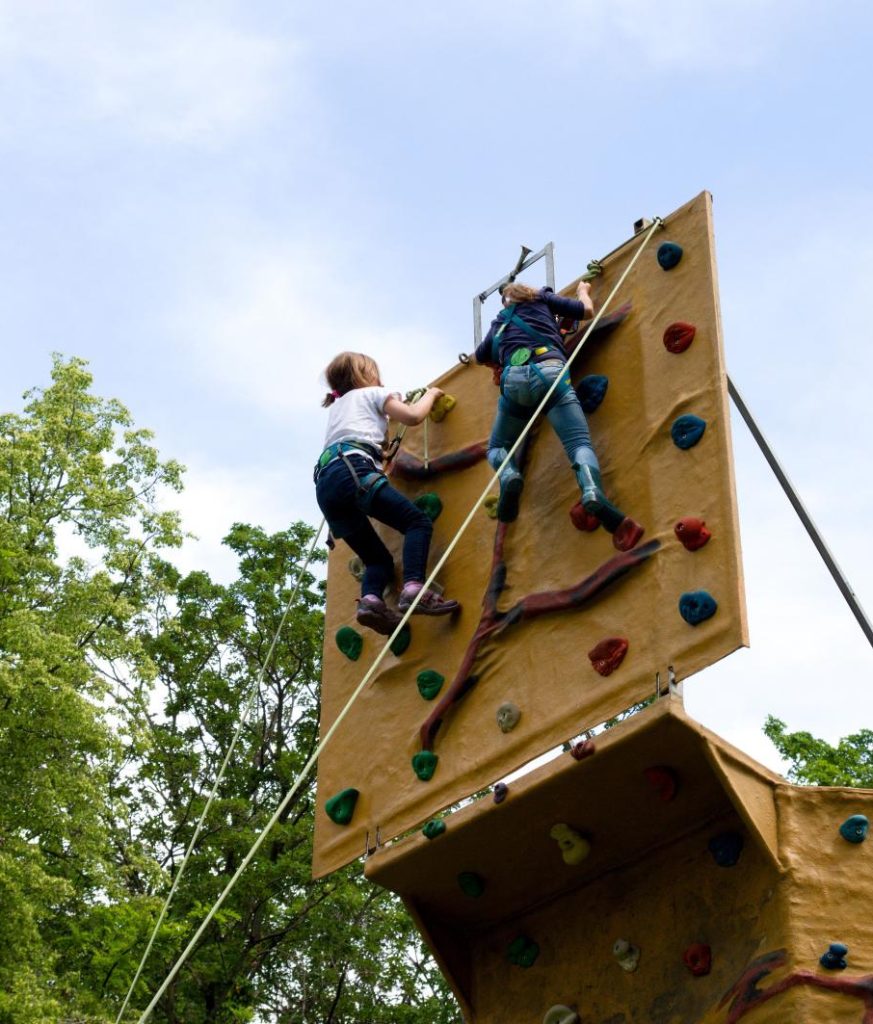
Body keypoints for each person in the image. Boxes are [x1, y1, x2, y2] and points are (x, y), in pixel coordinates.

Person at [475, 281, 643, 551]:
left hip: (514, 381)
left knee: (497, 447)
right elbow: (586, 312)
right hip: (550, 370)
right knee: (578, 444)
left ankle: (508, 475)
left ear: (506, 302)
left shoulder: (499, 323)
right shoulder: (543, 299)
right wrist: (582, 292)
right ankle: (591, 490)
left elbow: (481, 356)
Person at [314, 352, 460, 634]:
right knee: (416, 522)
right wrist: (431, 394)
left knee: (377, 560)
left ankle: (371, 601)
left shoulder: (338, 408)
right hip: (353, 470)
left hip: (327, 483)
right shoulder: (375, 393)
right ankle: (414, 589)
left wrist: (380, 455)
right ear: (367, 375)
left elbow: (359, 439)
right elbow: (414, 416)